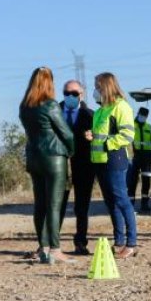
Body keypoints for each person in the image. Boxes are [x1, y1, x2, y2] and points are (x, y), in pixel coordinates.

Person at [19, 67, 75, 264]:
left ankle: (43, 248)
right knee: (54, 205)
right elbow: (66, 133)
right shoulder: (50, 105)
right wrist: (71, 150)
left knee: (40, 204)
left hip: (34, 158)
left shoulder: (24, 106)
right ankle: (55, 250)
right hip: (54, 158)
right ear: (49, 82)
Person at [87, 72, 139, 259]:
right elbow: (101, 134)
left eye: (98, 87)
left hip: (115, 159)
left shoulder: (121, 107)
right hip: (99, 161)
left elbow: (127, 135)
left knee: (122, 200)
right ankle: (118, 241)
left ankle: (132, 243)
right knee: (111, 203)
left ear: (107, 87)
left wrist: (105, 143)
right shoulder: (101, 110)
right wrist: (92, 136)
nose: (95, 91)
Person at [59, 80, 96, 255]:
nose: (70, 97)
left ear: (81, 94)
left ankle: (80, 242)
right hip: (60, 166)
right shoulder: (54, 112)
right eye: (67, 93)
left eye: (74, 93)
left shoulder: (91, 115)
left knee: (82, 207)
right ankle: (50, 243)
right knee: (56, 205)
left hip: (84, 166)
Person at [128, 106, 151, 212]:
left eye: (145, 116)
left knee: (146, 181)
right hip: (135, 156)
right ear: (138, 114)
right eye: (142, 115)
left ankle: (145, 203)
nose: (143, 117)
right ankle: (130, 204)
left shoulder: (149, 127)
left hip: (147, 157)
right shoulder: (131, 126)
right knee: (132, 181)